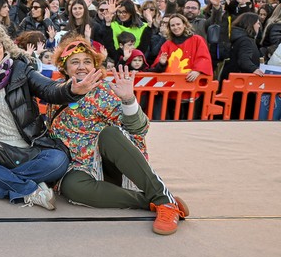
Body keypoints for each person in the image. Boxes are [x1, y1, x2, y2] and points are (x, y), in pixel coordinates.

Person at [47, 35, 189, 235]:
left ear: (95, 65)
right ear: (64, 67)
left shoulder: (104, 90)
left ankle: (163, 199)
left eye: (87, 61)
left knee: (110, 134)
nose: (81, 66)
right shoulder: (56, 91)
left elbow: (139, 129)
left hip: (109, 162)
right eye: (75, 62)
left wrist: (129, 100)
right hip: (78, 164)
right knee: (71, 188)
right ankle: (149, 201)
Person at [0, 23, 103, 209]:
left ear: (5, 47)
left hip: (30, 149)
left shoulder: (20, 70)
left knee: (58, 162)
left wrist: (71, 89)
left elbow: (49, 89)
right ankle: (30, 191)